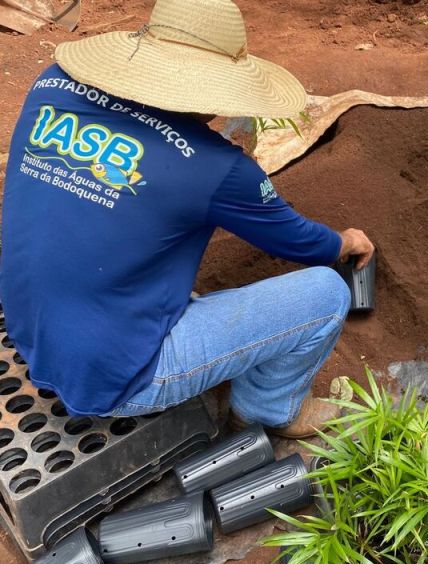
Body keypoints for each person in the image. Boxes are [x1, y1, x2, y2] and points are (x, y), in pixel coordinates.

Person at [0, 0, 374, 438]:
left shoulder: (53, 86)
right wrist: (345, 242)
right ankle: (267, 411)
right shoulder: (214, 166)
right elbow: (299, 243)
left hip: (30, 327)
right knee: (326, 293)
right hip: (116, 376)